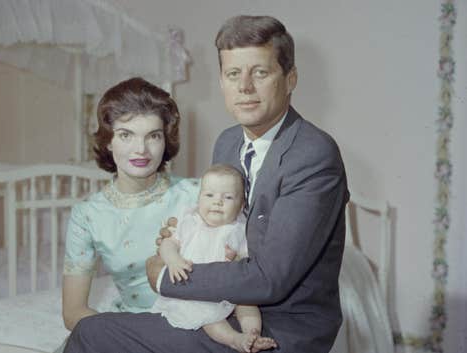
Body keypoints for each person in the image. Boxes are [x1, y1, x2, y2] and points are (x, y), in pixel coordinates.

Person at [64, 15, 349, 353]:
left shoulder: (312, 153)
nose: (244, 87)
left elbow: (269, 279)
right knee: (94, 329)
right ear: (222, 83)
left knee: (92, 336)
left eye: (259, 72)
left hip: (281, 328)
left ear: (290, 79)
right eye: (233, 74)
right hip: (219, 311)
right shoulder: (228, 143)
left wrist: (161, 276)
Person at [57, 77, 199, 350]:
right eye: (126, 135)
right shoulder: (87, 215)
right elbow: (73, 313)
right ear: (108, 141)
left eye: (153, 136)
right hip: (127, 333)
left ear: (165, 140)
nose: (141, 149)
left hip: (193, 330)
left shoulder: (198, 195)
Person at [151, 164, 277, 353]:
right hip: (198, 291)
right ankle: (235, 339)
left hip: (231, 286)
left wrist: (237, 259)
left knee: (248, 303)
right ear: (199, 198)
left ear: (241, 205)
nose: (217, 202)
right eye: (209, 195)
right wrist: (173, 260)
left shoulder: (239, 229)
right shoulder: (190, 222)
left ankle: (253, 334)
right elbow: (168, 244)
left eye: (227, 197)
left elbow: (248, 260)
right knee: (210, 318)